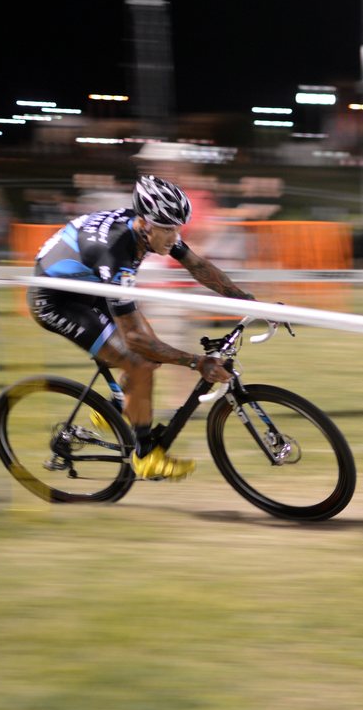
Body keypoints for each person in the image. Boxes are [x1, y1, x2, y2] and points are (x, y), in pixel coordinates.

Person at [29, 174, 256, 480]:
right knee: (141, 360)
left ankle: (115, 408)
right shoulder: (116, 248)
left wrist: (245, 299)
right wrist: (197, 362)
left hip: (87, 285)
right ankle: (146, 456)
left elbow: (197, 265)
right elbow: (135, 339)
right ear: (146, 223)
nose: (174, 237)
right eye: (168, 229)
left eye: (178, 228)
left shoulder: (154, 229)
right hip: (55, 300)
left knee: (150, 351)